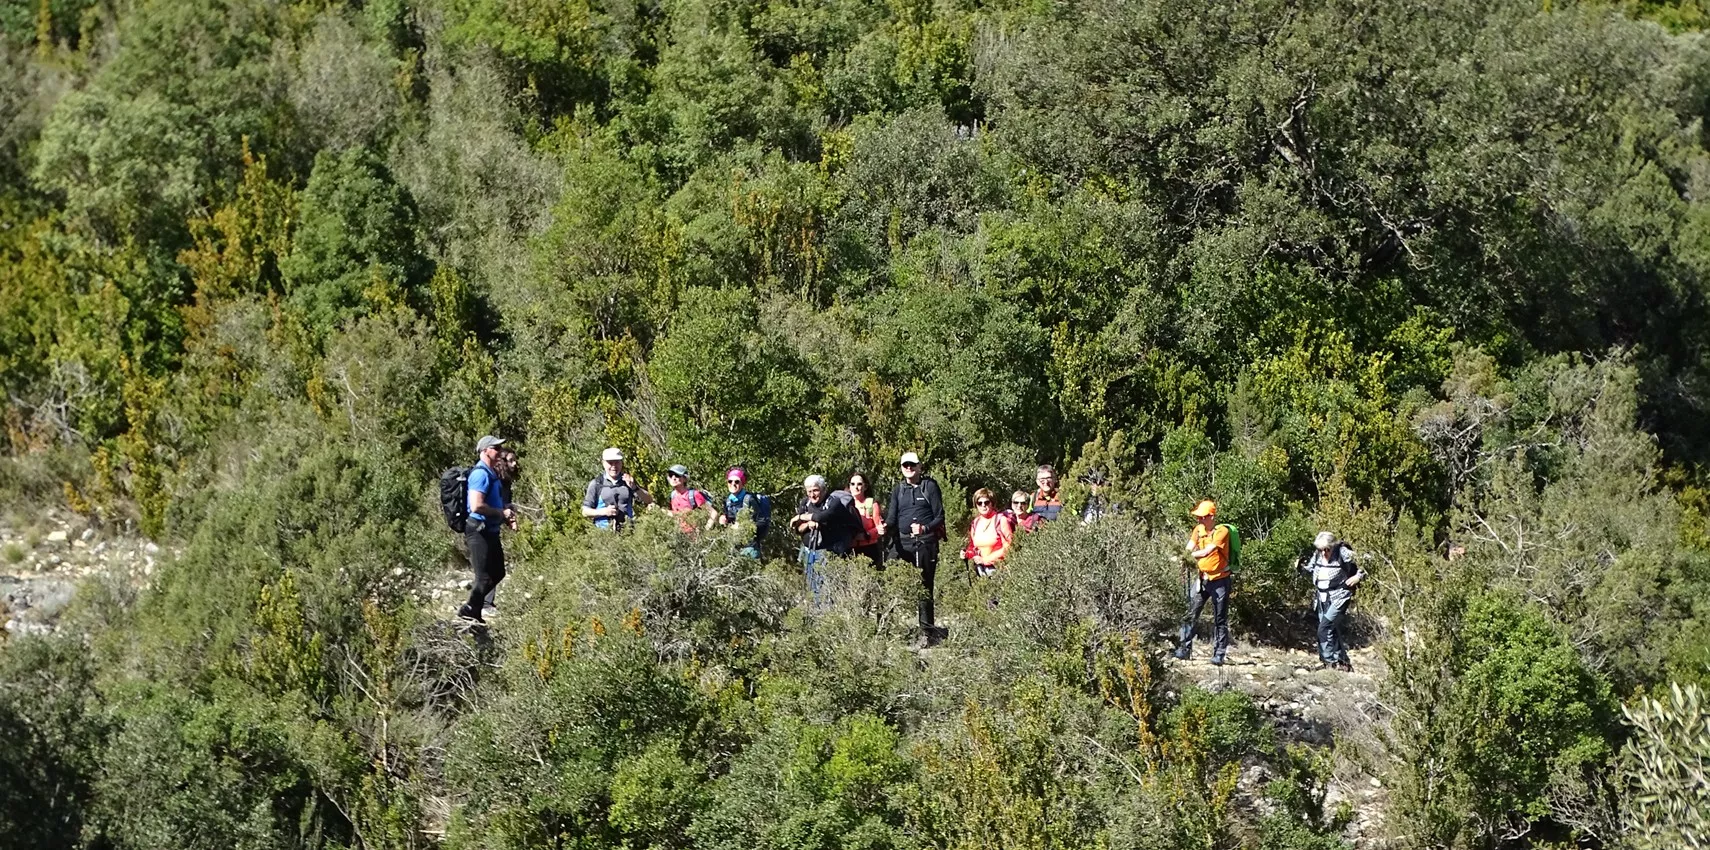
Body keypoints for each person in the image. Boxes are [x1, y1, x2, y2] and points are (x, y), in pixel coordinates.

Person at [883, 451, 946, 647]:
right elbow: (892, 517)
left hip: (925, 543)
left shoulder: (930, 487)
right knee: (888, 582)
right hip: (902, 543)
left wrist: (924, 528)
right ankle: (886, 628)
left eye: (912, 465)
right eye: (905, 466)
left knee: (924, 587)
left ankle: (927, 632)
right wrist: (884, 527)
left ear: (920, 466)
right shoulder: (898, 490)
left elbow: (939, 516)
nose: (909, 468)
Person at [462, 435, 517, 624]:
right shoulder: (480, 474)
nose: (500, 451)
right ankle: (470, 610)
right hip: (478, 530)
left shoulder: (491, 472)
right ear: (485, 450)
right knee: (483, 576)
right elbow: (476, 506)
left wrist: (506, 511)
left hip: (490, 530)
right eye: (495, 448)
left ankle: (472, 610)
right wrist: (500, 512)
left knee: (498, 572)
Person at [1175, 500, 1232, 665]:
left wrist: (1188, 557)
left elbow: (1208, 551)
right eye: (1198, 517)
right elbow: (1189, 547)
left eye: (1203, 517)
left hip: (1220, 580)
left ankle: (1219, 654)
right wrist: (1183, 557)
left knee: (1220, 618)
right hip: (1202, 579)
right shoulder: (1198, 530)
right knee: (1189, 613)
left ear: (1212, 516)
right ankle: (1184, 649)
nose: (1199, 520)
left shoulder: (1222, 531)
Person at [1299, 531, 1364, 672]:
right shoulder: (1318, 554)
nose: (1323, 553)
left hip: (1340, 596)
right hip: (1321, 598)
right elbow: (1311, 569)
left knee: (1324, 628)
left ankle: (1329, 662)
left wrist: (1358, 576)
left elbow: (1366, 560)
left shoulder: (1342, 552)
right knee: (1331, 629)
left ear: (1332, 546)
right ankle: (1342, 662)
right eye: (1320, 550)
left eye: (1326, 550)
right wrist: (1301, 567)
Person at [791, 474, 856, 605]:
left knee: (826, 587)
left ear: (824, 489)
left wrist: (800, 517)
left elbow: (822, 517)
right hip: (809, 550)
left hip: (828, 551)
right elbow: (798, 528)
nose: (812, 494)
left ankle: (826, 617)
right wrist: (806, 523)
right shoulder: (805, 503)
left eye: (815, 490)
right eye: (809, 491)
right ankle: (815, 614)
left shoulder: (834, 502)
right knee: (811, 585)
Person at [484, 446, 521, 614]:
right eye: (511, 460)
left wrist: (510, 519)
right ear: (503, 462)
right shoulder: (494, 481)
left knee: (496, 568)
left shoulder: (506, 483)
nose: (515, 464)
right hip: (482, 528)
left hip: (493, 528)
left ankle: (484, 603)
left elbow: (504, 506)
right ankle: (484, 604)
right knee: (489, 568)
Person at [581, 447, 651, 530]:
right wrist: (604, 511)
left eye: (617, 462)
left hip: (627, 532)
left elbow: (648, 500)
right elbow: (585, 511)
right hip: (602, 535)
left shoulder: (628, 480)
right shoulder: (597, 484)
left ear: (621, 463)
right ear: (603, 463)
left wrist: (635, 487)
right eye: (610, 463)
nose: (614, 466)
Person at [960, 488, 1015, 577]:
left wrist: (985, 560)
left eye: (986, 502)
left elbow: (1010, 546)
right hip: (980, 570)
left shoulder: (1001, 520)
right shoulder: (975, 523)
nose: (983, 506)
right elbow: (973, 547)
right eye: (979, 503)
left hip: (999, 569)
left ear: (992, 503)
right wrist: (967, 554)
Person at [719, 466, 771, 558]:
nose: (733, 484)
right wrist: (724, 520)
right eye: (730, 481)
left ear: (742, 483)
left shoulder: (749, 499)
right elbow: (730, 520)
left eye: (737, 481)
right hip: (733, 545)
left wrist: (743, 526)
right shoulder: (727, 501)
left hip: (750, 547)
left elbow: (761, 521)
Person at [848, 473, 886, 567]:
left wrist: (866, 535)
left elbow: (879, 528)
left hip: (868, 550)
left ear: (865, 487)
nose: (856, 487)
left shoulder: (871, 504)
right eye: (852, 484)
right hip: (849, 549)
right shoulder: (845, 504)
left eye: (859, 484)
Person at [666, 464, 717, 533]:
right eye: (671, 475)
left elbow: (713, 513)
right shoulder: (673, 495)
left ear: (684, 478)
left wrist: (706, 530)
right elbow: (676, 515)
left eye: (677, 475)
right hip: (679, 537)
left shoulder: (694, 495)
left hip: (695, 538)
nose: (673, 478)